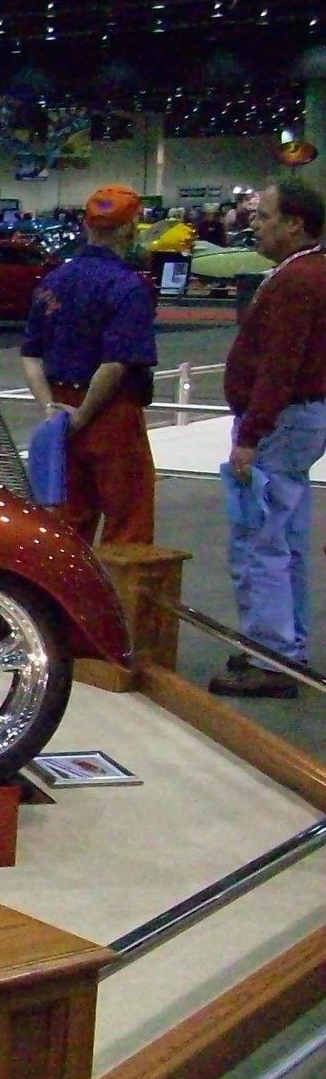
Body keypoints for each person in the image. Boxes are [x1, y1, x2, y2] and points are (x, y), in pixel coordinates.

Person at [209, 178, 326, 699]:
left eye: (264, 216)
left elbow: (280, 364)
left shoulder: (298, 281)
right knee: (285, 535)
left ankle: (272, 654)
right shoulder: (306, 273)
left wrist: (251, 434)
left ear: (295, 224)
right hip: (298, 420)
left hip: (279, 424)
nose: (253, 224)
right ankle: (283, 646)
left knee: (262, 539)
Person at [19, 184, 159, 545]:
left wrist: (51, 410)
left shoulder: (53, 281)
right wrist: (84, 414)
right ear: (130, 227)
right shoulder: (127, 286)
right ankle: (121, 600)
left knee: (67, 522)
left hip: (61, 411)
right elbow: (115, 364)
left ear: (86, 225)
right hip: (110, 411)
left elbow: (30, 354)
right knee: (127, 522)